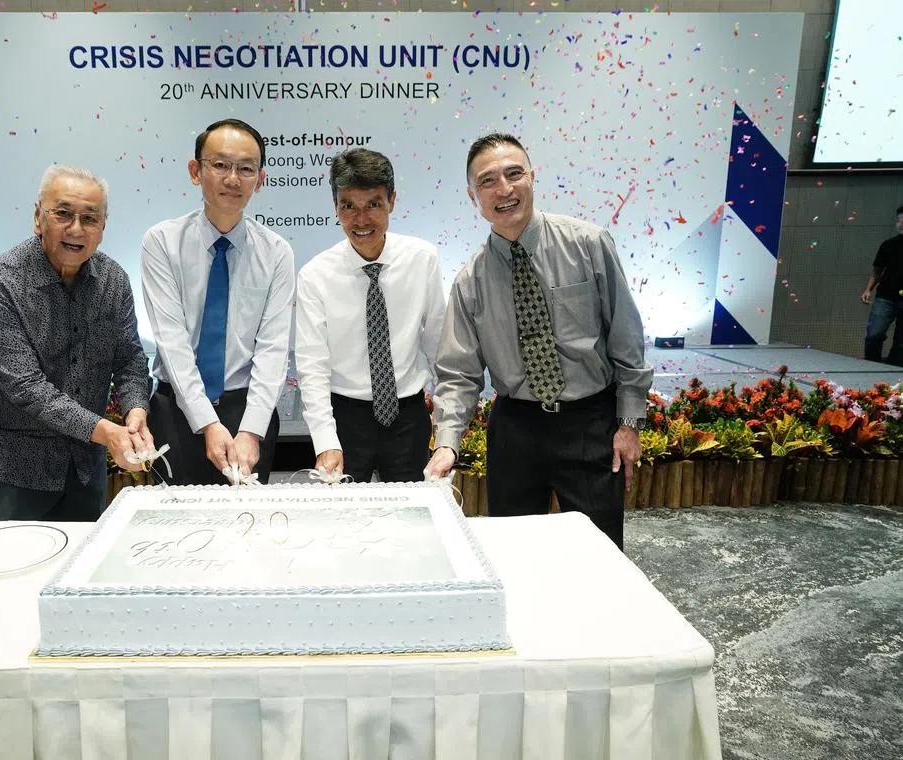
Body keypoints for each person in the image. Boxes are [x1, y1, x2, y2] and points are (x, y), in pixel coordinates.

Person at [425, 134, 652, 549]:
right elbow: (458, 375)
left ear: (532, 176)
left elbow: (626, 336)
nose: (504, 189)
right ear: (473, 194)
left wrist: (628, 423)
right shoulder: (470, 281)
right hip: (517, 431)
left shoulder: (588, 244)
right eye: (488, 181)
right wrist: (446, 445)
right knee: (515, 553)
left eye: (514, 174)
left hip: (590, 423)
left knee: (600, 555)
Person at [0, 165, 154, 521]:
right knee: (16, 571)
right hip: (13, 469)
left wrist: (135, 412)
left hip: (84, 467)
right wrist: (105, 432)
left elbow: (129, 357)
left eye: (90, 218)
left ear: (103, 228)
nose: (76, 229)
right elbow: (25, 387)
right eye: (63, 214)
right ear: (38, 218)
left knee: (81, 569)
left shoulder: (113, 280)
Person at [140, 118, 295, 485]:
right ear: (196, 171)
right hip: (176, 406)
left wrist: (252, 430)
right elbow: (172, 343)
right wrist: (207, 422)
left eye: (246, 169)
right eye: (220, 165)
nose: (232, 179)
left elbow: (273, 350)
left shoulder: (276, 253)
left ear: (261, 180)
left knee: (246, 526)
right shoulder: (162, 242)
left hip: (248, 410)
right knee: (176, 530)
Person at [294, 148, 446, 483]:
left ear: (392, 201)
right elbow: (312, 365)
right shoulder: (314, 275)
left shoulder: (423, 260)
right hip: (344, 417)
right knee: (343, 523)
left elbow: (438, 346)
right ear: (336, 207)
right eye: (349, 206)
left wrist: (447, 427)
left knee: (410, 520)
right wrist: (324, 440)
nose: (361, 220)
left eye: (373, 204)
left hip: (408, 415)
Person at [860, 205, 903, 365]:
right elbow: (877, 270)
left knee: (901, 343)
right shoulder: (888, 245)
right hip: (885, 296)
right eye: (899, 220)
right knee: (874, 334)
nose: (901, 224)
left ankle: (893, 373)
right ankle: (871, 366)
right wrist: (868, 289)